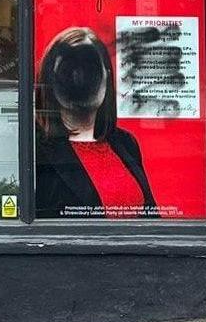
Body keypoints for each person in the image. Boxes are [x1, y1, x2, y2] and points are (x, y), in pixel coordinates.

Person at [34, 27, 158, 219]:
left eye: (89, 67)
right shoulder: (37, 150)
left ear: (106, 75)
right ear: (49, 81)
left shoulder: (125, 143)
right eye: (69, 69)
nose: (79, 77)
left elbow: (153, 219)